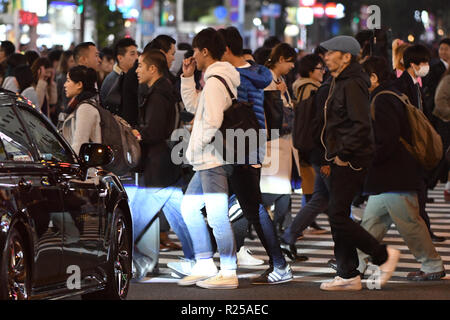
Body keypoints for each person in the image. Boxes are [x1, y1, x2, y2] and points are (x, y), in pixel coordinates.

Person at [318, 35, 399, 291]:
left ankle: (382, 255)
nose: (326, 56)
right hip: (338, 157)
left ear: (346, 56)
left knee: (337, 215)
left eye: (331, 52)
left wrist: (343, 154)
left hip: (350, 160)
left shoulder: (352, 83)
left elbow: (361, 124)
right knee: (337, 215)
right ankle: (347, 273)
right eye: (326, 52)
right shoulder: (338, 80)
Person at [359, 56, 445, 281]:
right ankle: (353, 263)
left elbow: (387, 139)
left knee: (410, 225)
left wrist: (370, 159)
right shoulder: (394, 94)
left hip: (394, 174)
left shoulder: (382, 99)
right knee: (372, 223)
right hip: (393, 175)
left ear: (374, 77)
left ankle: (432, 265)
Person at [218, 26, 293, 285]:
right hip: (252, 143)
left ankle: (279, 264)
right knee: (249, 205)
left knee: (252, 205)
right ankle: (273, 262)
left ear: (225, 49)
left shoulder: (235, 77)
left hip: (242, 145)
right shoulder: (257, 72)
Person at [178, 27, 240, 289]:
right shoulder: (212, 80)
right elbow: (195, 107)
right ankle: (204, 262)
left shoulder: (215, 81)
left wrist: (194, 147)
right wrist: (187, 78)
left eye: (195, 51)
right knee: (189, 208)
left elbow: (212, 120)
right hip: (207, 159)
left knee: (216, 216)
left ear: (205, 51)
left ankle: (228, 272)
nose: (193, 56)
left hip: (213, 158)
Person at [132, 49, 194, 279]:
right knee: (178, 217)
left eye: (140, 66)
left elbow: (156, 130)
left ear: (152, 69)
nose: (137, 71)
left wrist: (137, 132)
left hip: (158, 162)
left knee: (135, 220)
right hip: (167, 162)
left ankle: (127, 261)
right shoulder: (164, 89)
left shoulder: (158, 94)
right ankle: (198, 258)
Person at [394, 44, 446, 242]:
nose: (427, 66)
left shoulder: (415, 82)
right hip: (408, 148)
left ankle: (424, 233)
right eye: (423, 62)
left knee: (416, 193)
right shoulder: (402, 85)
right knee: (415, 193)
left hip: (415, 148)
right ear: (412, 64)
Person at [260, 43, 298, 238]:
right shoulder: (267, 79)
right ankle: (273, 229)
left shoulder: (279, 78)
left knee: (281, 188)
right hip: (272, 142)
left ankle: (276, 229)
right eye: (290, 62)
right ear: (281, 59)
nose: (292, 66)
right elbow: (269, 110)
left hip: (282, 143)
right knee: (278, 190)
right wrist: (281, 93)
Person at [60, 66, 101, 155]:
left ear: (79, 85)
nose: (65, 85)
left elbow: (79, 145)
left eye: (68, 80)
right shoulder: (79, 104)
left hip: (86, 167)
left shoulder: (85, 108)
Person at [100, 38, 138, 113]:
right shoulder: (113, 80)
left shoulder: (127, 76)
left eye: (137, 54)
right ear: (120, 58)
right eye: (132, 54)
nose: (137, 57)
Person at [434, 67, 450, 201]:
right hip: (446, 122)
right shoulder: (447, 80)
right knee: (442, 156)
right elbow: (439, 102)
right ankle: (429, 181)